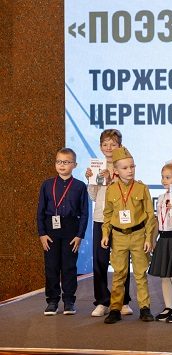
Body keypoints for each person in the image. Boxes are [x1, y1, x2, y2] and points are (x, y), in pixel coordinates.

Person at [101, 147, 156, 324]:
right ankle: (115, 309)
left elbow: (150, 215)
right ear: (116, 170)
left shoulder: (142, 188)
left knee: (140, 274)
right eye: (125, 168)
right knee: (119, 274)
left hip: (138, 234)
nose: (130, 170)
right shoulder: (111, 190)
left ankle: (145, 308)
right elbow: (107, 214)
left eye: (132, 166)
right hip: (118, 236)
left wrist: (149, 238)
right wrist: (105, 234)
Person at [85, 129, 133, 317]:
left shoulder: (124, 165)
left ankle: (123, 301)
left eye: (113, 144)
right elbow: (93, 196)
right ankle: (102, 301)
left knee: (122, 262)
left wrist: (112, 178)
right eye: (105, 144)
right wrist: (92, 180)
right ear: (100, 147)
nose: (109, 147)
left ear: (120, 146)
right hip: (101, 219)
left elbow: (129, 190)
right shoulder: (97, 166)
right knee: (100, 261)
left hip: (120, 219)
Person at [37, 148, 89, 316]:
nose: (62, 165)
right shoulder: (47, 185)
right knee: (51, 266)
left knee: (69, 267)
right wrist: (42, 233)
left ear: (74, 165)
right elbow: (40, 211)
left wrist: (79, 235)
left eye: (66, 162)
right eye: (59, 161)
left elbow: (85, 213)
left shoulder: (80, 186)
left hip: (71, 229)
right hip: (50, 229)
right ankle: (52, 301)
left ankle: (69, 301)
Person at [148, 160, 172, 323]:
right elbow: (158, 221)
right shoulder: (162, 197)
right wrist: (153, 239)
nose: (164, 180)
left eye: (168, 177)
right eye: (163, 177)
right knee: (164, 276)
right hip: (163, 239)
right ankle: (168, 306)